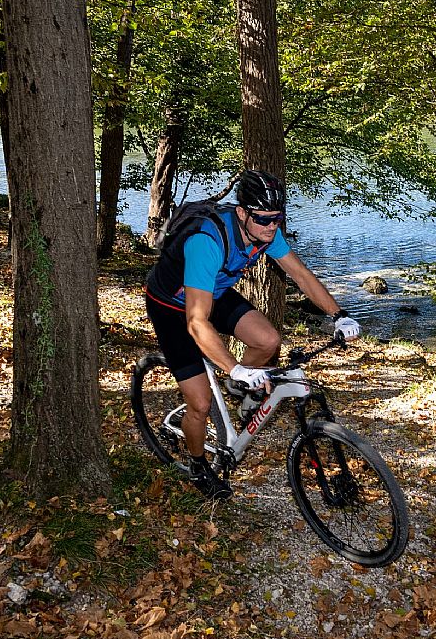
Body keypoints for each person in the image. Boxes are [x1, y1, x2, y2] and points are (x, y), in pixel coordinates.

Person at [144, 170, 361, 499]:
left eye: (277, 218)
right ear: (242, 213)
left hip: (212, 291)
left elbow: (300, 274)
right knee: (200, 404)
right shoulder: (208, 241)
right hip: (173, 307)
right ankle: (199, 465)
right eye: (263, 219)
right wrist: (235, 366)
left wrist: (339, 315)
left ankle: (237, 390)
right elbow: (196, 321)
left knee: (268, 340)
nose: (271, 226)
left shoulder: (267, 232)